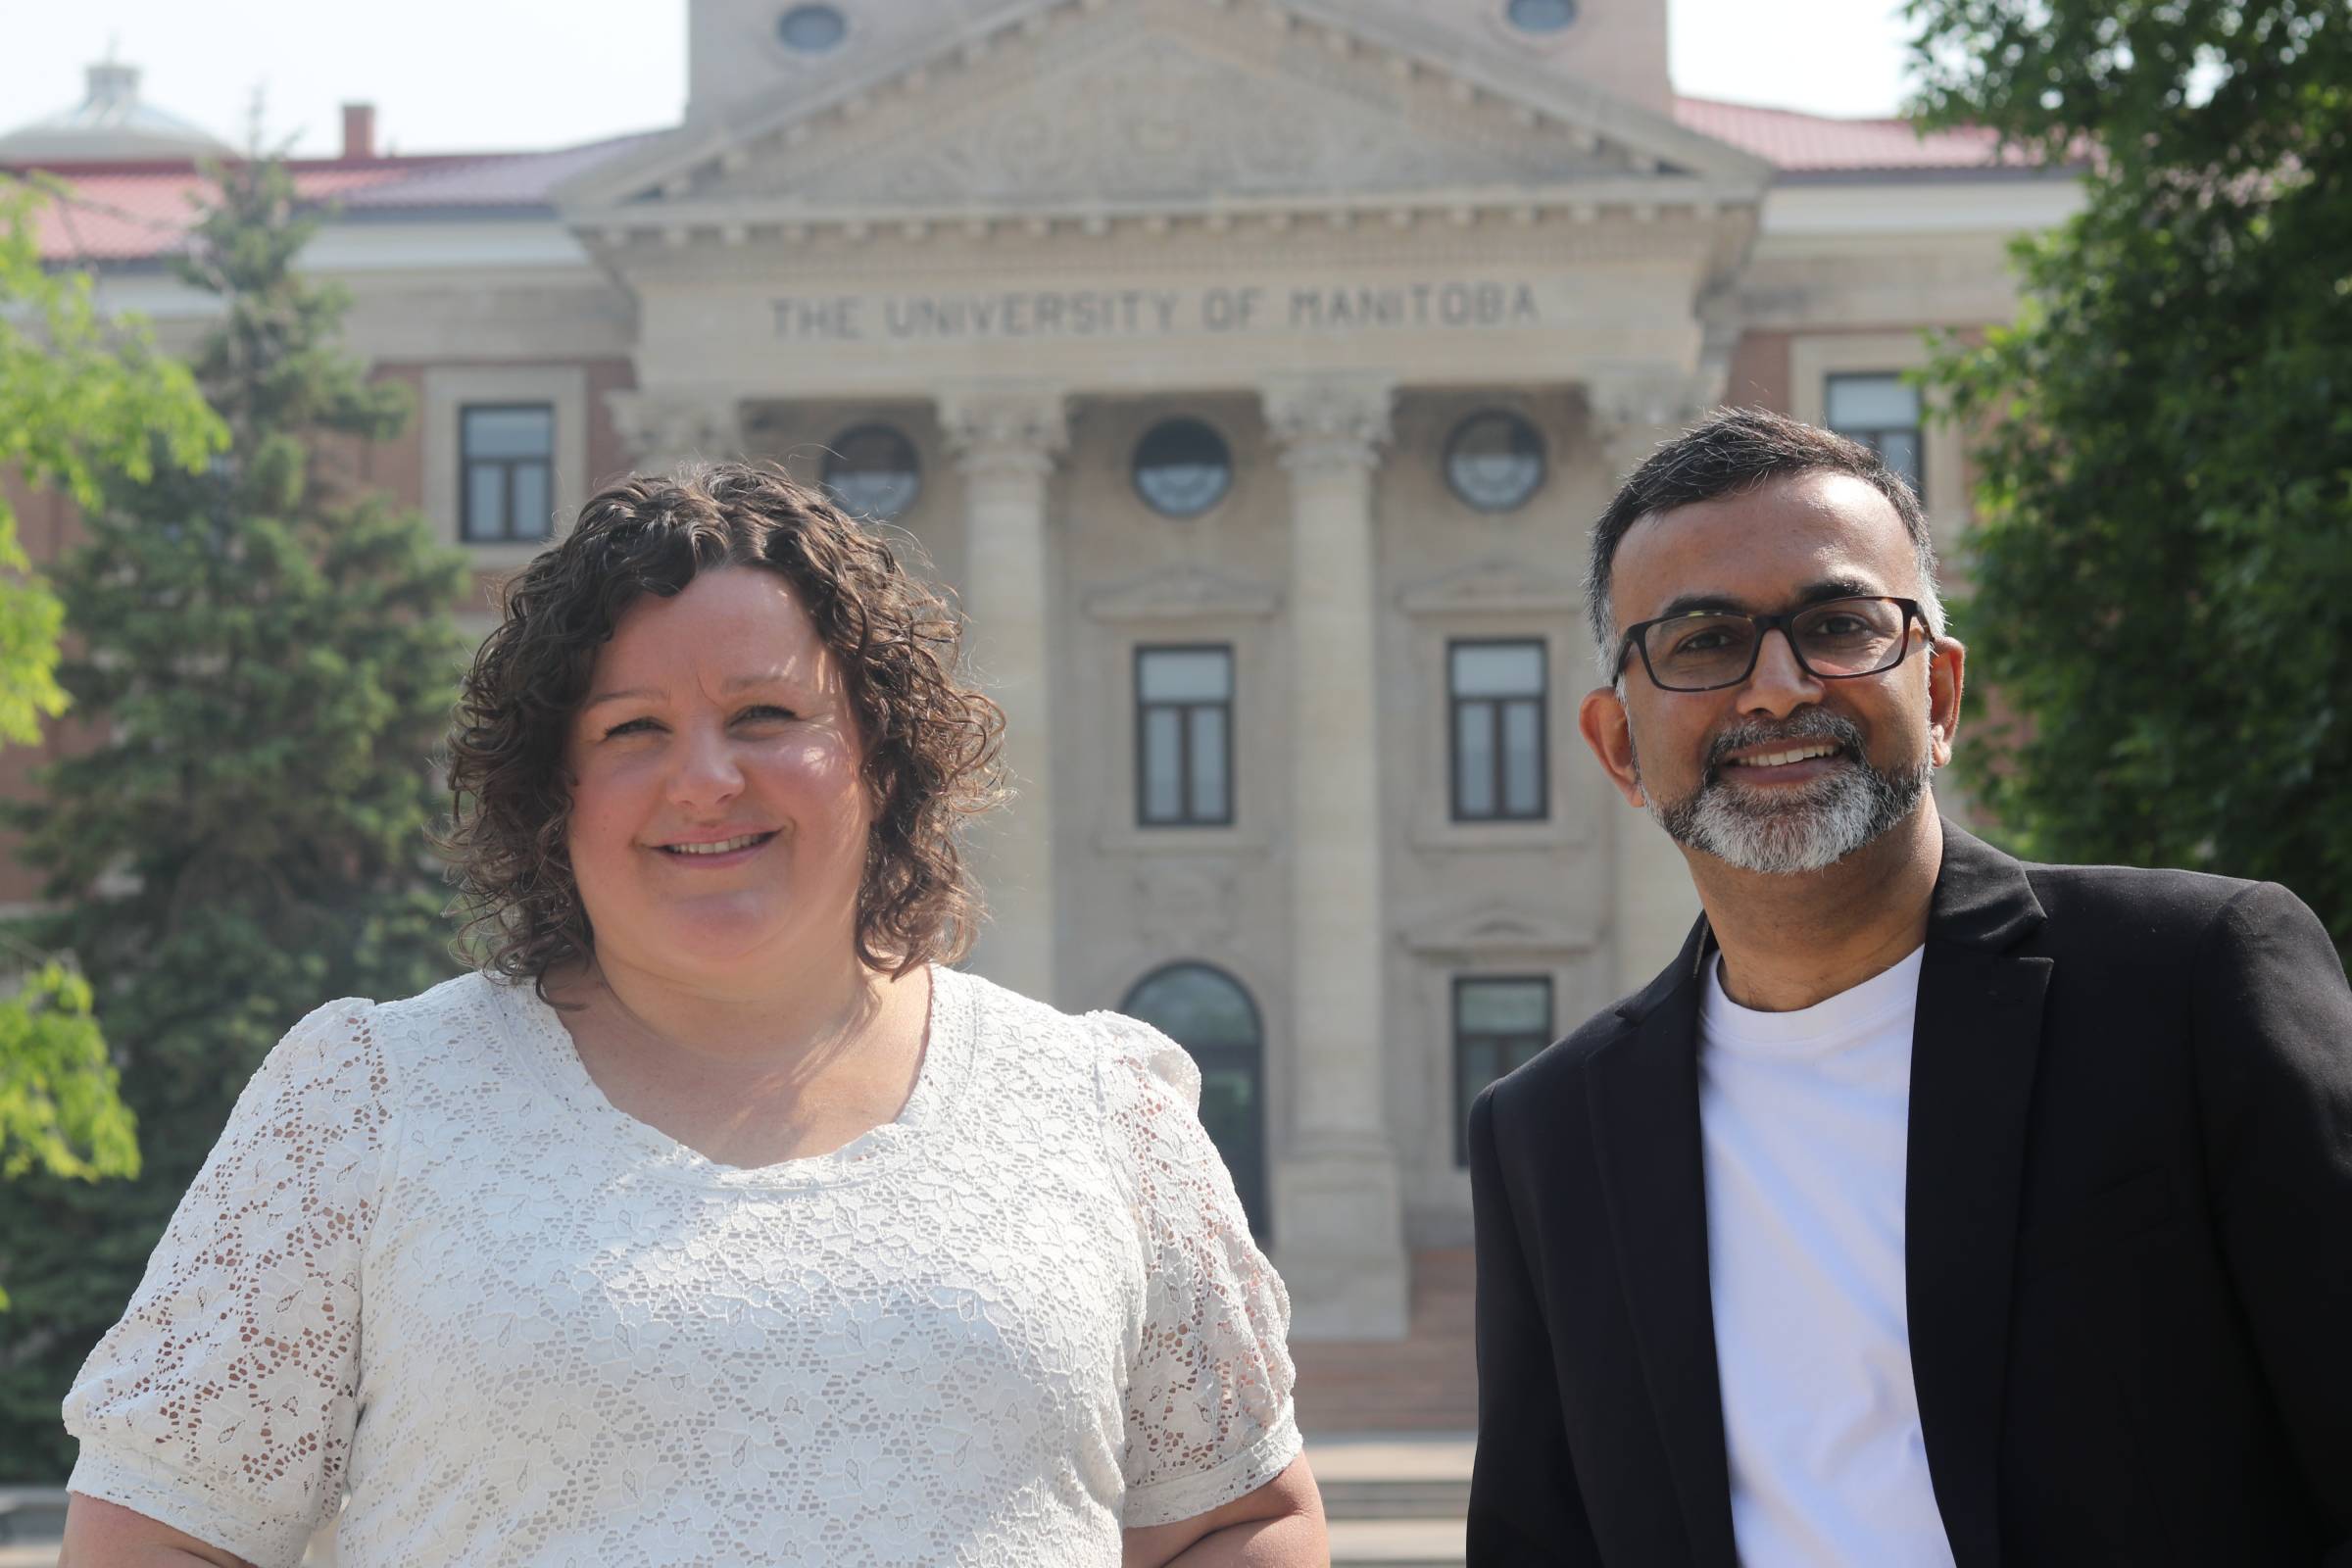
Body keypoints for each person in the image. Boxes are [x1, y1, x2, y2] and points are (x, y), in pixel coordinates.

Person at [59, 464, 1324, 1568]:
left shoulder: (1094, 1105)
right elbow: (159, 1534)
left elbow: (1234, 1519)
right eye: (634, 729)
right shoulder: (372, 1101)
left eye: (767, 716)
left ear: (881, 756)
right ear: (555, 790)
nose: (705, 779)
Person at [1466, 408, 2352, 1566]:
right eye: (1700, 641)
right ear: (1619, 745)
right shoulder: (1548, 1133)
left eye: (1838, 625)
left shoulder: (2192, 983)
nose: (1778, 688)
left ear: (1937, 694)